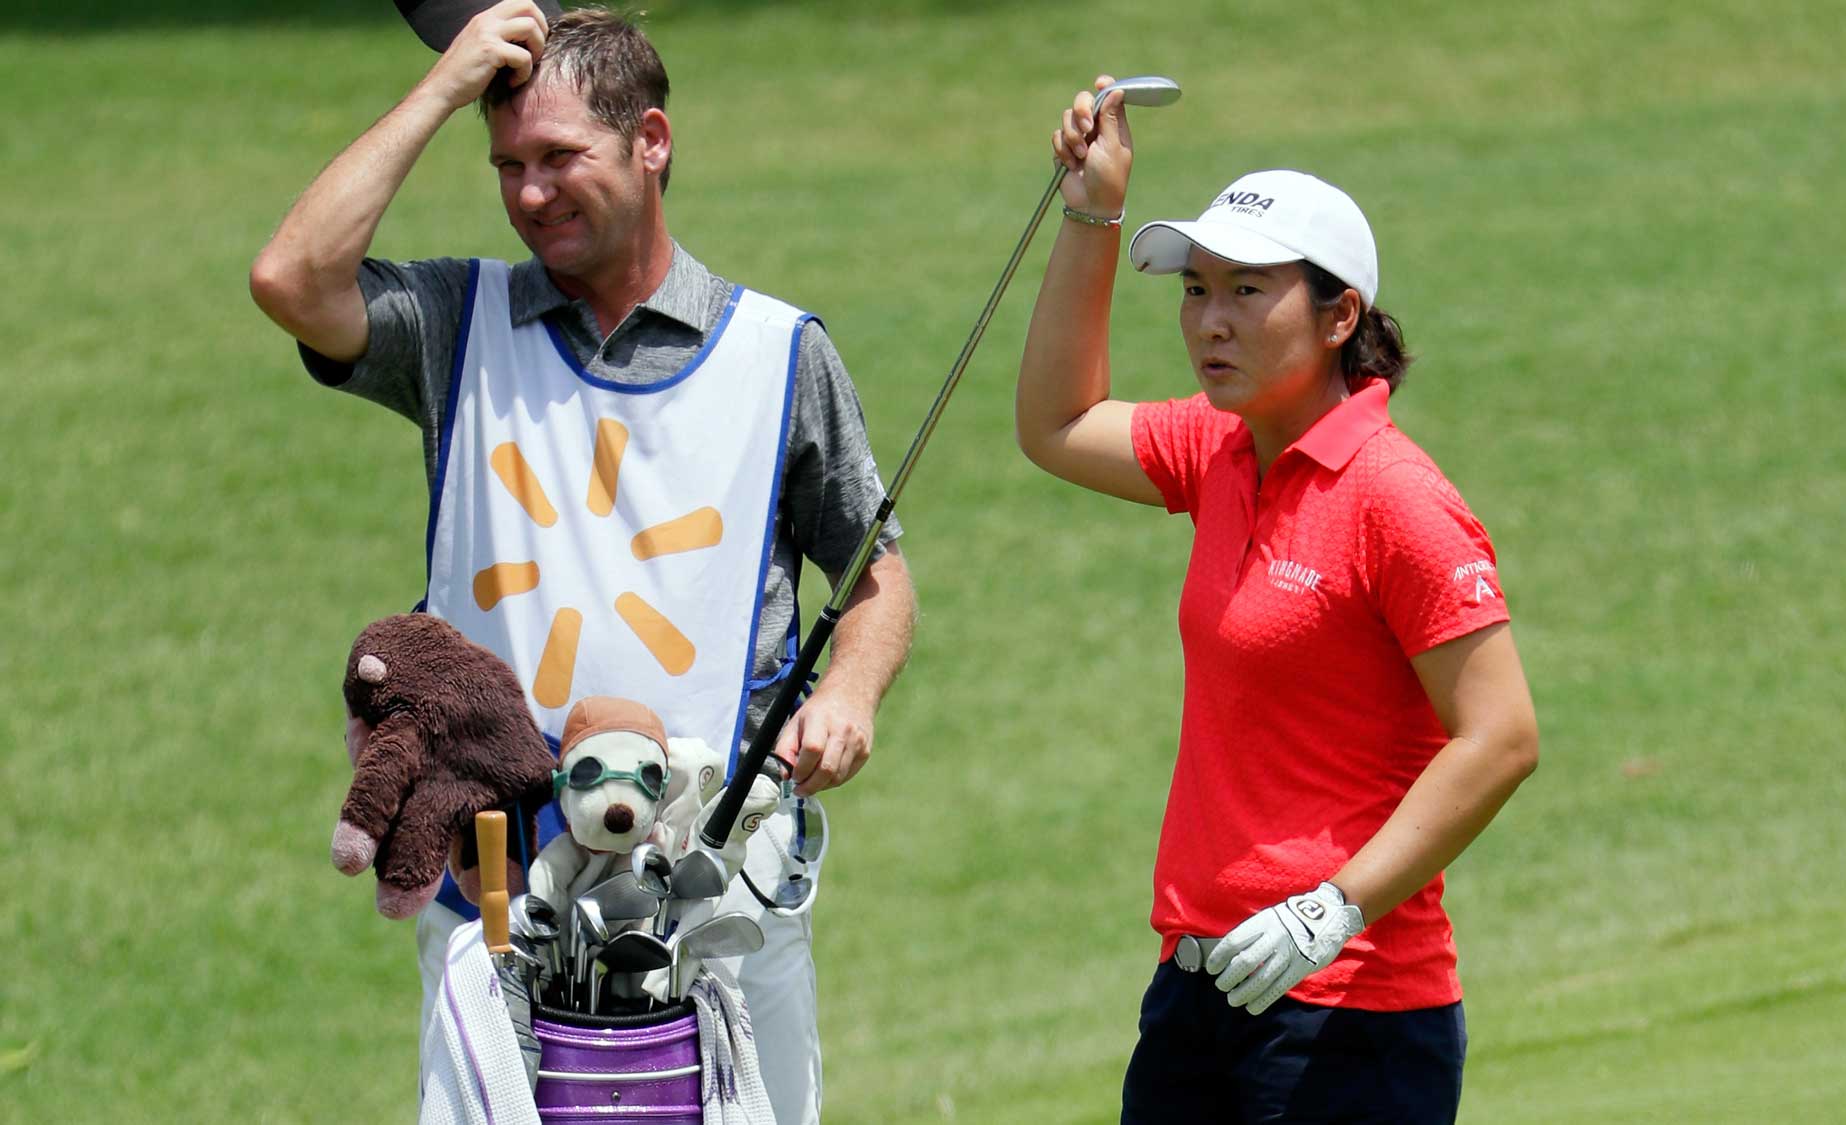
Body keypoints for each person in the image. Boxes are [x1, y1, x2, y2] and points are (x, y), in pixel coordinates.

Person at [249, 6, 917, 1122]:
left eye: (561, 158)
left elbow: (874, 574)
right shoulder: (460, 320)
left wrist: (849, 692)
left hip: (720, 905)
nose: (529, 193)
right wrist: (439, 91)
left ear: (650, 140)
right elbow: (291, 277)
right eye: (506, 163)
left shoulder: (779, 353)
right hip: (499, 903)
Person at [1015, 77, 1540, 1123]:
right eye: (1194, 289)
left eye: (1247, 292)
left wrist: (1331, 910)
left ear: (1339, 314)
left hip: (1349, 1010)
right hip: (1198, 988)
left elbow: (1500, 736)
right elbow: (1056, 424)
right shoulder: (1218, 448)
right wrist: (1091, 212)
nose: (1208, 321)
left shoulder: (1395, 499)